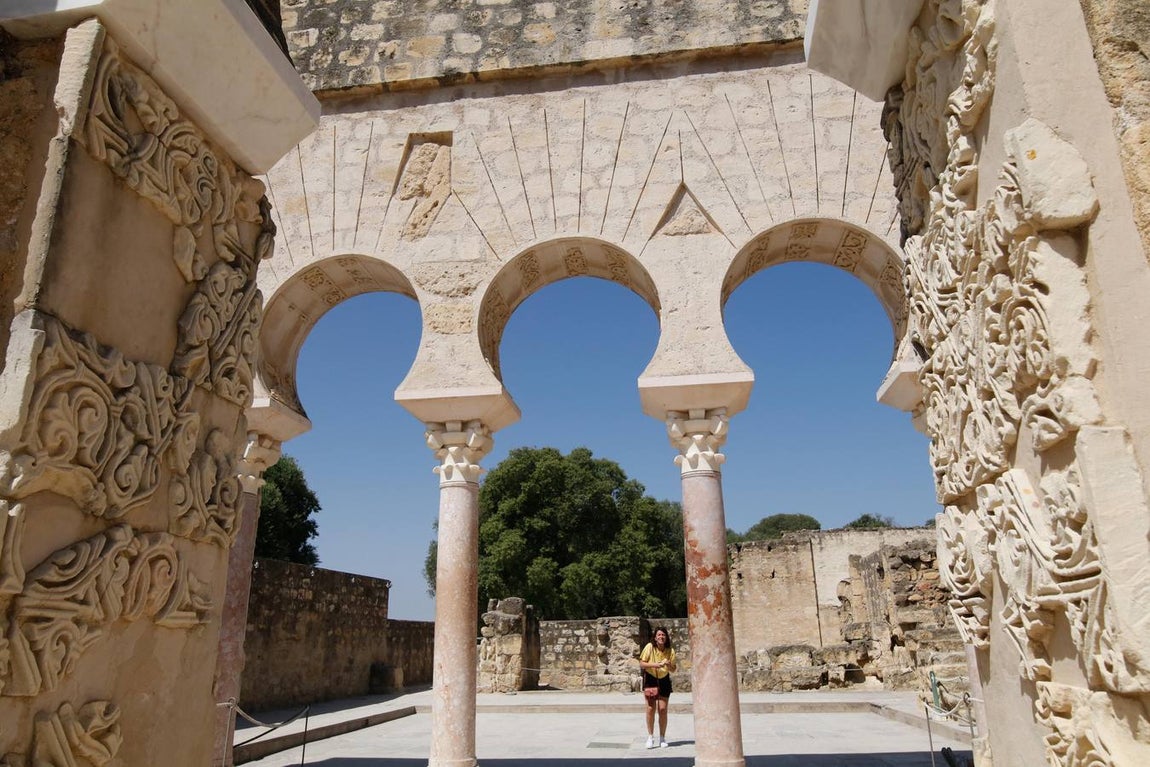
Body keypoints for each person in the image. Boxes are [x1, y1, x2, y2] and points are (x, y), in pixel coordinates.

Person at [639, 626, 677, 749]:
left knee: (663, 709)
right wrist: (656, 665)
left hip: (664, 680)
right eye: (659, 635)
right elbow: (642, 663)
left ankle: (662, 737)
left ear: (666, 637)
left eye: (663, 635)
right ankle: (650, 736)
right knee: (650, 709)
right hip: (651, 679)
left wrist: (668, 664)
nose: (661, 637)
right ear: (655, 638)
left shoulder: (670, 650)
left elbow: (673, 669)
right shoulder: (649, 647)